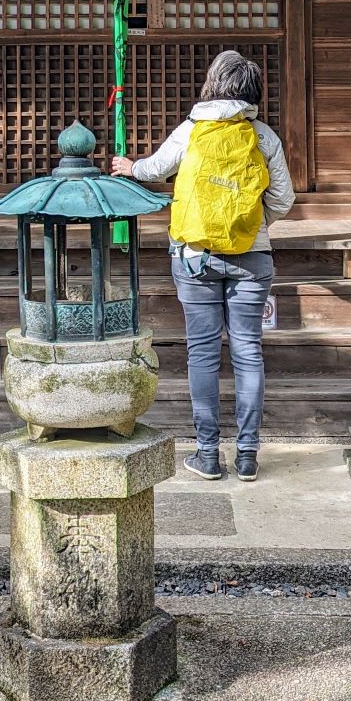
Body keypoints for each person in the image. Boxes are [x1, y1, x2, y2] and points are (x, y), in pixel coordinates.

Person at [112, 50, 295, 481]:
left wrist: (129, 167)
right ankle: (248, 456)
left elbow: (156, 168)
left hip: (194, 258)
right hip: (253, 256)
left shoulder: (192, 129)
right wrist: (248, 223)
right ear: (252, 92)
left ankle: (208, 454)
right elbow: (284, 200)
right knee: (249, 351)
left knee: (203, 352)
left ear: (213, 84)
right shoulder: (264, 136)